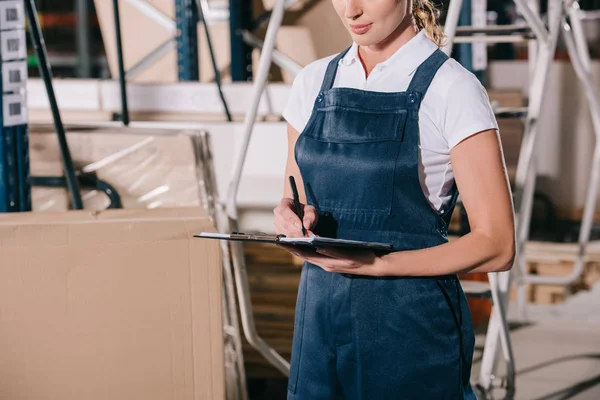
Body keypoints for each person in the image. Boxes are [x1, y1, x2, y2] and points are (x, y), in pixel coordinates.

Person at [273, 0, 516, 398]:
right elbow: (293, 198)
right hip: (319, 320)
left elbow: (497, 244)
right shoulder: (313, 82)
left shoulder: (451, 88)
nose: (350, 10)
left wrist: (379, 265)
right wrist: (288, 217)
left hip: (407, 325)